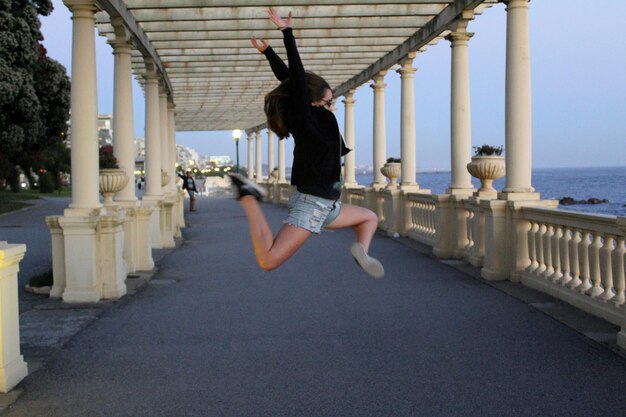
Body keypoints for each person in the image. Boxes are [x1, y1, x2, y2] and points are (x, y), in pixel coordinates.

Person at [227, 8, 384, 279]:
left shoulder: (314, 118)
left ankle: (361, 249)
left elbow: (289, 80)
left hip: (329, 205)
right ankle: (250, 197)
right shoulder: (307, 120)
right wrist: (287, 33)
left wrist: (268, 53)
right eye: (328, 102)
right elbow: (297, 79)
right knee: (268, 261)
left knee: (369, 217)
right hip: (314, 203)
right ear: (312, 102)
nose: (332, 107)